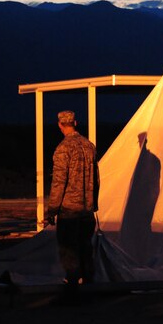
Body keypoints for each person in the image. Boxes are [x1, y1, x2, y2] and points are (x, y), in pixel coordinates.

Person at [45, 110, 100, 301]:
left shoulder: (63, 149)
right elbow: (97, 179)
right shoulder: (89, 146)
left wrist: (52, 209)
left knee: (69, 249)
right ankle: (89, 284)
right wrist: (94, 204)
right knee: (85, 245)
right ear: (75, 122)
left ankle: (72, 287)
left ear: (60, 125)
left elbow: (59, 182)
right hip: (86, 209)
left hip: (69, 210)